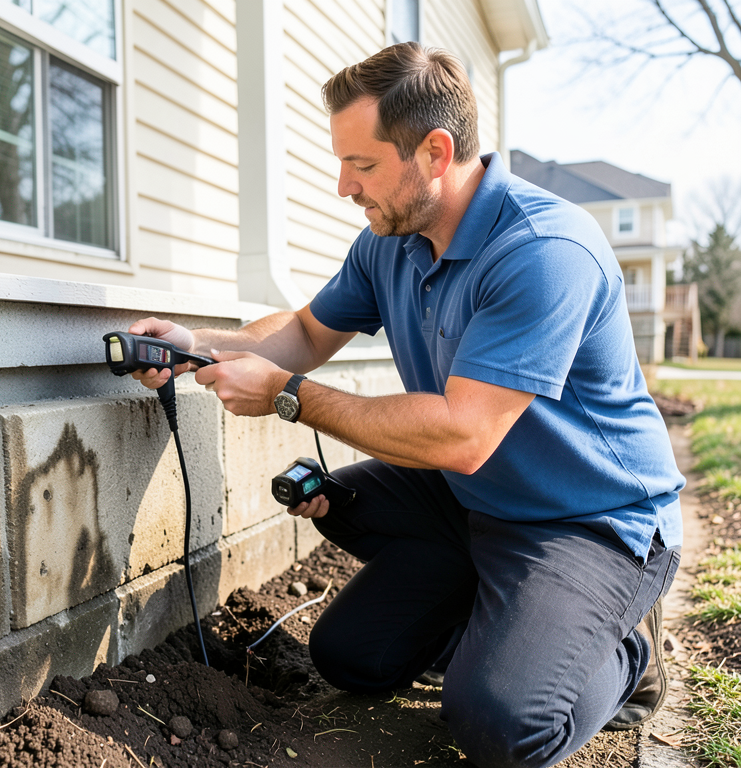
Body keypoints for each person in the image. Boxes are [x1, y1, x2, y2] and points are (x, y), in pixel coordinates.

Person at [127, 42, 683, 768]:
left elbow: (462, 437)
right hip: (482, 503)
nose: (342, 186)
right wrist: (193, 342)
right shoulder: (391, 241)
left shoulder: (543, 249)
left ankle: (629, 651)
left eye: (361, 165)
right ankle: (506, 620)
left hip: (592, 522)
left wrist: (289, 398)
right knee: (353, 655)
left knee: (501, 724)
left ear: (435, 151)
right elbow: (300, 333)